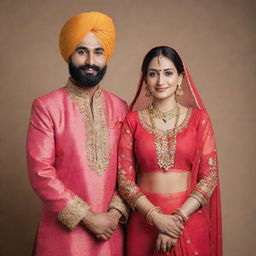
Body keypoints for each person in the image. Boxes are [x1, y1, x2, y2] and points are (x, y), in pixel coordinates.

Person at [26, 11, 129, 256]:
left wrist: (113, 214)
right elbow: (40, 172)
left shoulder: (121, 107)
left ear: (106, 57)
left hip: (110, 234)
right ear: (69, 54)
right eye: (82, 51)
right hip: (63, 237)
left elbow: (130, 169)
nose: (90, 61)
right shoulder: (47, 106)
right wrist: (88, 217)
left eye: (98, 52)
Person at [117, 46, 222, 255]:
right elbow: (124, 180)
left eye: (168, 73)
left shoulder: (199, 120)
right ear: (145, 80)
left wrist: (177, 220)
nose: (160, 81)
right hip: (145, 220)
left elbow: (209, 177)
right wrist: (157, 218)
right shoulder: (132, 121)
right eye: (153, 74)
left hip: (188, 220)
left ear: (180, 78)